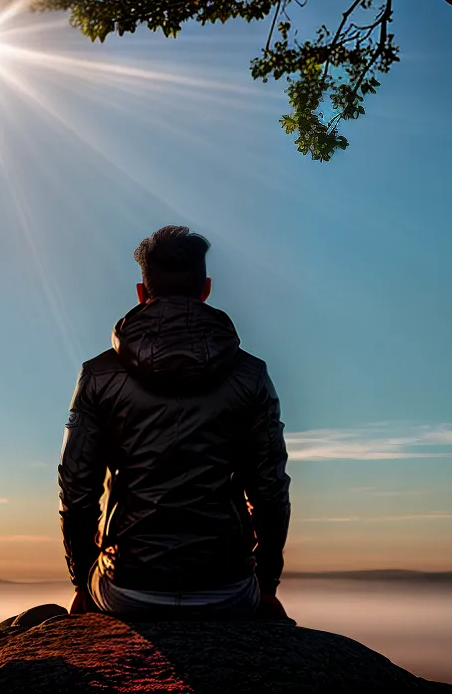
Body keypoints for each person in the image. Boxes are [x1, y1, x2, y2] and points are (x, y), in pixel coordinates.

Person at [58, 225, 291, 620]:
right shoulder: (251, 375)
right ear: (206, 289)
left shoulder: (98, 375)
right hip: (227, 587)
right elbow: (270, 491)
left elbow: (76, 491)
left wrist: (81, 582)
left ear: (141, 292)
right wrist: (266, 585)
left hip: (128, 586)